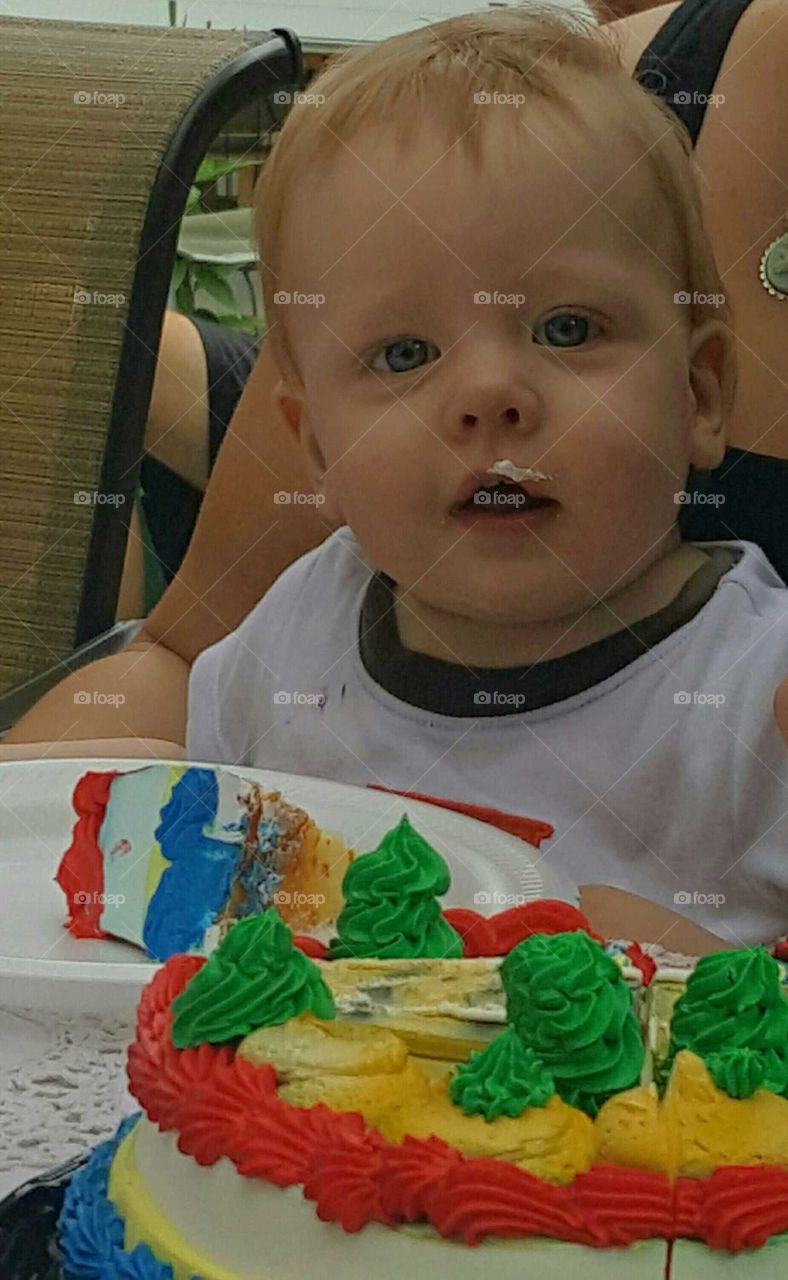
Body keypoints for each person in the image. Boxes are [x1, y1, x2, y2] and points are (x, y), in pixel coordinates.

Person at [162, 5, 788, 951]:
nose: (489, 394)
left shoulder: (752, 696)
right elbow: (190, 834)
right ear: (319, 451)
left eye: (568, 329)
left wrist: (703, 978)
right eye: (405, 351)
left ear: (699, 394)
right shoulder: (297, 633)